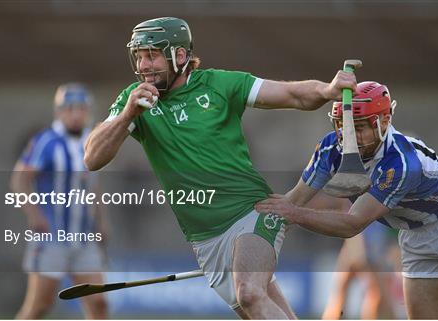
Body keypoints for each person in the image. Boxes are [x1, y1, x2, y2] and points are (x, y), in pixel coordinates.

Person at [83, 17, 356, 319]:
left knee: (250, 293)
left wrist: (327, 89)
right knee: (261, 308)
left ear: (180, 56)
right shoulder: (135, 100)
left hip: (251, 213)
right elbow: (93, 158)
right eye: (140, 56)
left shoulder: (220, 84)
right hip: (205, 239)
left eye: (153, 55)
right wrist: (127, 114)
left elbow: (293, 95)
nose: (144, 65)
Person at [255, 81, 438, 318]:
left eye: (359, 126)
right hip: (417, 236)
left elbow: (352, 223)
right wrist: (250, 223)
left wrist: (293, 214)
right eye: (342, 124)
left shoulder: (401, 162)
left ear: (384, 122)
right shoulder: (330, 149)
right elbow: (293, 201)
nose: (348, 135)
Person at [10, 83, 108, 319]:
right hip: (52, 237)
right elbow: (19, 180)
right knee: (39, 306)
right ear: (59, 112)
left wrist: (102, 222)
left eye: (81, 109)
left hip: (84, 239)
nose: (75, 115)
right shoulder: (47, 140)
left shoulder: (91, 141)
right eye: (69, 109)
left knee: (98, 304)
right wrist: (34, 215)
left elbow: (93, 188)